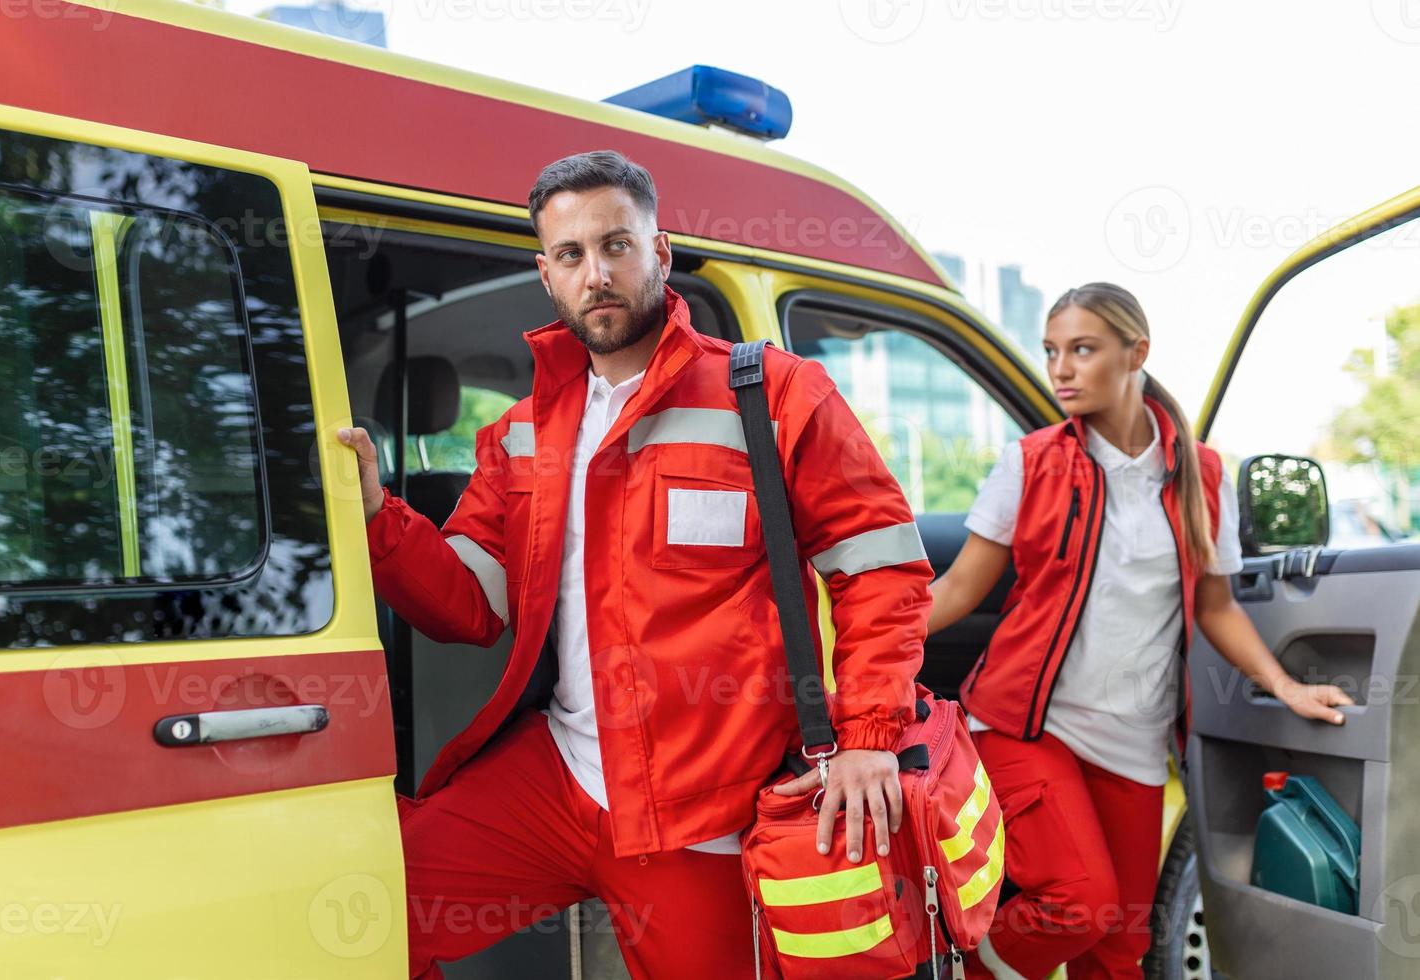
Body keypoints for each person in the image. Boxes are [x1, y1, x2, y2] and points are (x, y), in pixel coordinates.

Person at [336, 150, 934, 979]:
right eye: (573, 256)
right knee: (362, 917)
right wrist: (375, 516)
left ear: (661, 252)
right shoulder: (521, 434)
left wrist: (870, 736)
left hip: (707, 811)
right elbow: (470, 604)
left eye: (617, 245)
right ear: (547, 275)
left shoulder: (775, 396)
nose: (598, 274)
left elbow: (882, 570)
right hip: (558, 781)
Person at [926, 282, 1353, 980]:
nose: (1060, 368)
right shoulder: (1030, 463)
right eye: (1052, 352)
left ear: (1137, 353)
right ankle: (965, 971)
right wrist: (863, 644)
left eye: (1082, 350)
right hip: (1026, 726)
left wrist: (1283, 684)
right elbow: (960, 588)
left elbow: (1214, 605)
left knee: (1117, 948)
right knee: (1079, 904)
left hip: (1132, 743)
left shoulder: (1201, 475)